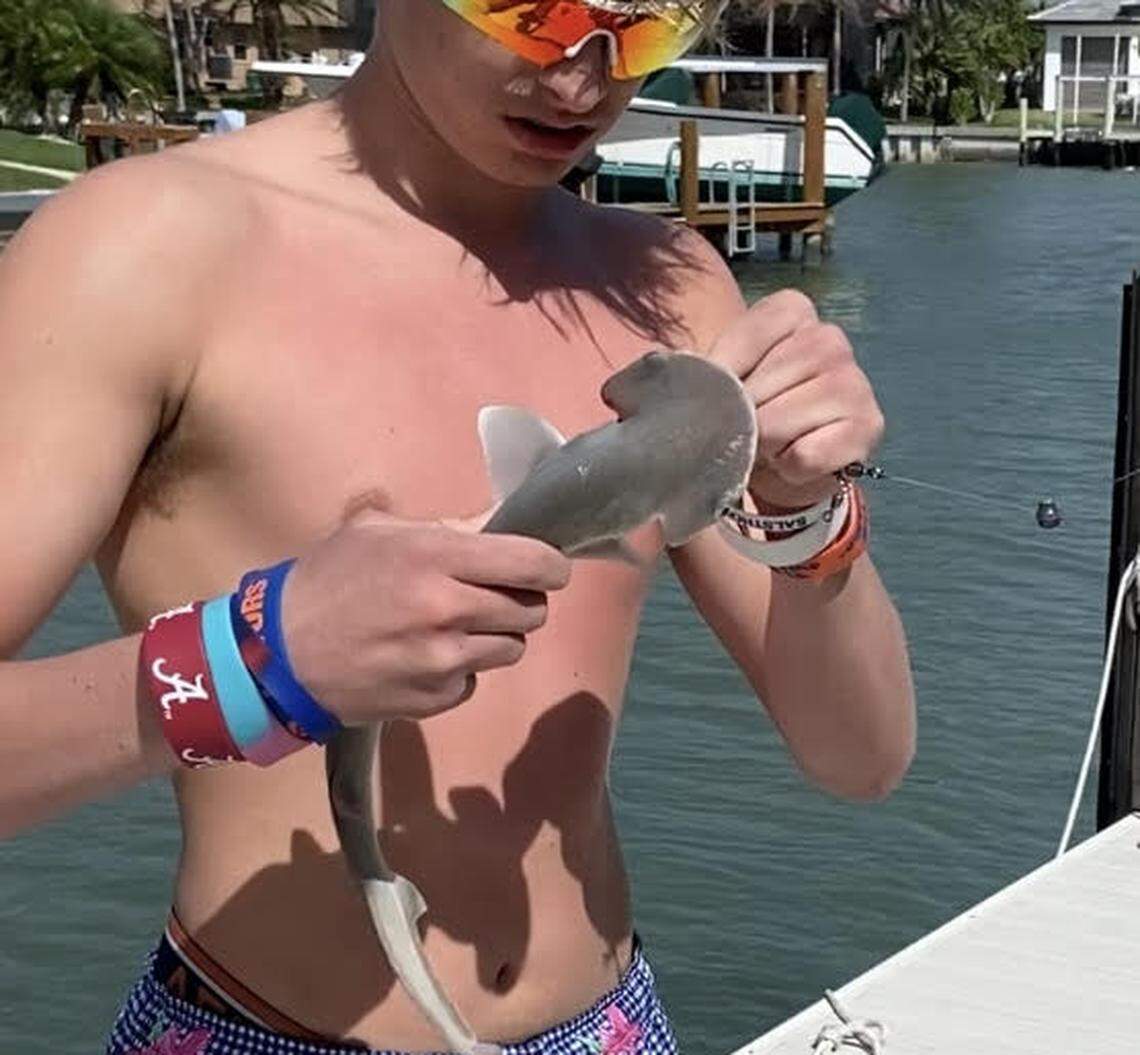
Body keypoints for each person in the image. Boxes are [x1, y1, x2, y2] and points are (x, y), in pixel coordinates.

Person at [0, 2, 915, 1052]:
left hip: (610, 1025)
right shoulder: (141, 251)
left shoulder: (667, 286)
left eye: (646, 23)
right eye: (535, 12)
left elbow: (862, 756)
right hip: (259, 1028)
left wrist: (807, 515)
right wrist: (262, 660)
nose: (583, 78)